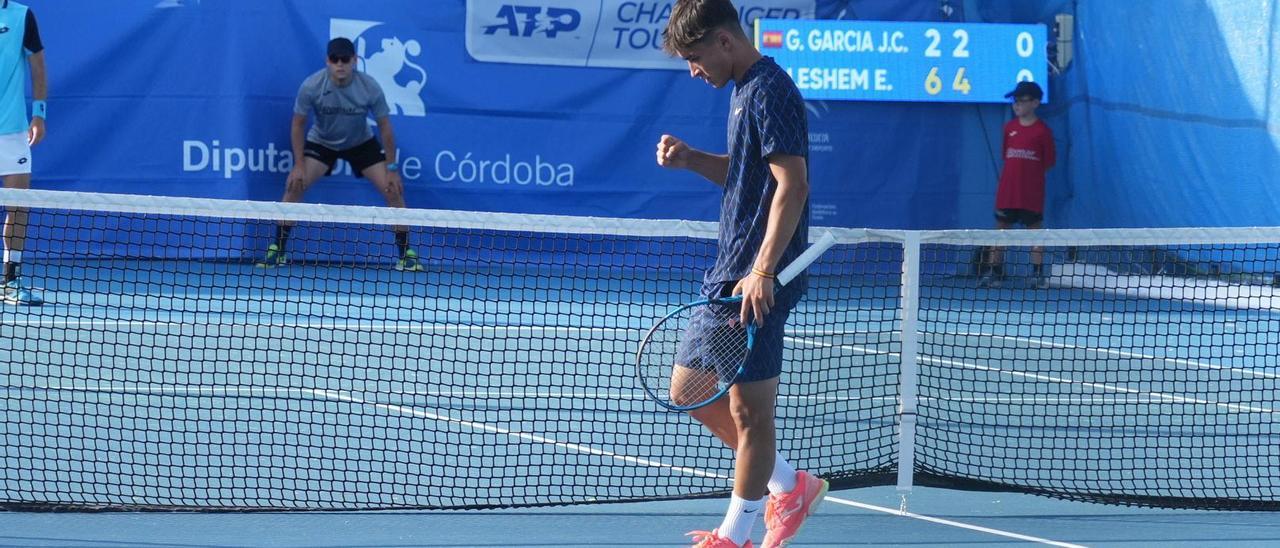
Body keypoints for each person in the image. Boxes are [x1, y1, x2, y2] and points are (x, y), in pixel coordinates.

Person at [656, 2, 826, 546]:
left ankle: (737, 535)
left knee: (749, 413)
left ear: (725, 41)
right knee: (688, 389)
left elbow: (791, 184)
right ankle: (789, 483)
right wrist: (691, 161)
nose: (693, 70)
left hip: (756, 279)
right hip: (731, 271)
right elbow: (746, 173)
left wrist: (763, 271)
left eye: (695, 57)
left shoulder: (769, 88)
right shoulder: (744, 91)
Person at [258, 37, 422, 271]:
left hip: (361, 143)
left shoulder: (369, 87)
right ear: (328, 60)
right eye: (335, 59)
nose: (340, 64)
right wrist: (299, 164)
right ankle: (278, 249)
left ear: (355, 60)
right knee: (295, 185)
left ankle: (406, 254)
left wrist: (393, 169)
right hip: (322, 142)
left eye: (345, 59)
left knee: (392, 189)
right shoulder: (312, 86)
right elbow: (297, 124)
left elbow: (385, 127)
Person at [980, 80, 1056, 289]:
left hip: (1031, 194)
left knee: (1035, 232)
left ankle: (1038, 274)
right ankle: (993, 272)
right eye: (1015, 101)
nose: (1017, 105)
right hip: (1008, 192)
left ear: (1035, 103)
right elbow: (1007, 155)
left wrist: (1029, 179)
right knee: (1001, 230)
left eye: (1022, 101)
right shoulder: (1009, 128)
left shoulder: (1043, 132)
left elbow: (1048, 162)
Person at [1, 0, 45, 306]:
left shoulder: (22, 15)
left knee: (19, 205)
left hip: (13, 131)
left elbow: (38, 66)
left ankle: (10, 280)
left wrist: (39, 114)